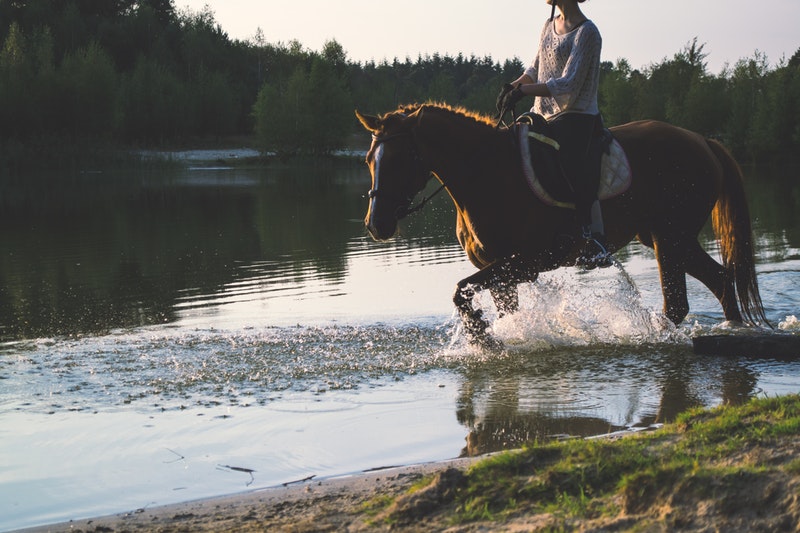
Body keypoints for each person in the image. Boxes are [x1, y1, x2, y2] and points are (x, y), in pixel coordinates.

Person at [498, 0, 611, 269]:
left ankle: (593, 238)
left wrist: (523, 92)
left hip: (577, 115)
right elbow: (535, 68)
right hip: (543, 113)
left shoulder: (588, 32)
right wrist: (512, 87)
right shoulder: (548, 25)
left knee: (571, 163)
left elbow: (569, 83)